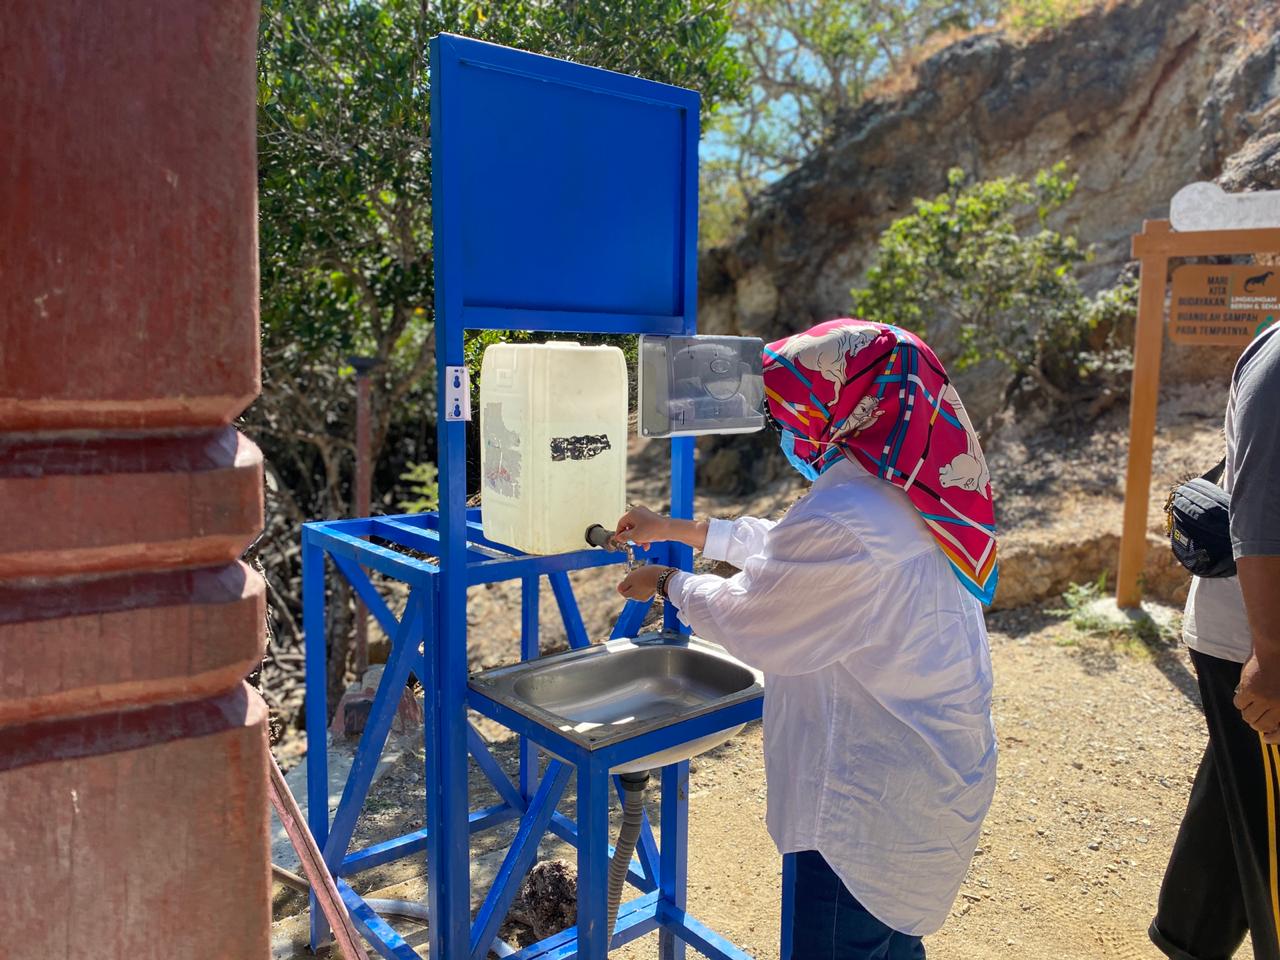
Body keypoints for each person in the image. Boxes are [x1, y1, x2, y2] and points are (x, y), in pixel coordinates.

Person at [615, 319, 998, 960]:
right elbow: (794, 553)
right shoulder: (913, 490)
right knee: (891, 947)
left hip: (863, 818)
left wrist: (668, 585)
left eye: (793, 405)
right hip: (925, 788)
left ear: (843, 406)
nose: (786, 422)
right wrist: (681, 528)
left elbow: (760, 619)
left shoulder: (851, 519)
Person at [1151, 323, 1280, 960]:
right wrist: (1272, 657)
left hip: (1258, 640)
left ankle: (1188, 939)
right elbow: (1260, 515)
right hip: (1256, 642)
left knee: (1242, 791)